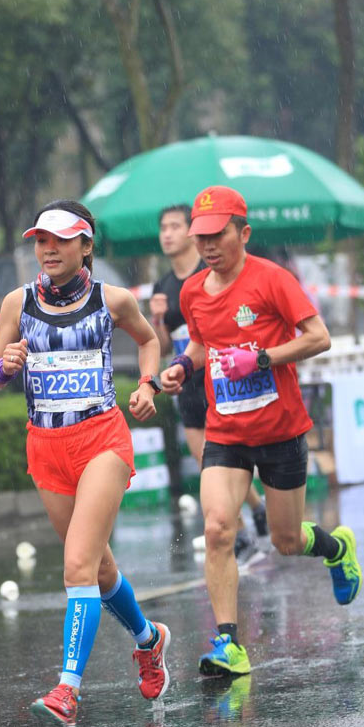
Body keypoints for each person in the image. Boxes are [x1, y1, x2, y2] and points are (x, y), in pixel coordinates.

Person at [0, 199, 171, 727]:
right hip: (45, 446)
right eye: (41, 240)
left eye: (61, 240)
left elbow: (149, 340)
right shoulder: (16, 303)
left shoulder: (113, 300)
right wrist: (5, 365)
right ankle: (148, 641)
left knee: (77, 568)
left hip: (101, 440)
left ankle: (67, 690)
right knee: (100, 568)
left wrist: (148, 384)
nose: (48, 250)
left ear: (86, 245)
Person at [161, 185, 362, 677]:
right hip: (226, 431)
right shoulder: (191, 291)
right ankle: (229, 644)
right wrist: (182, 368)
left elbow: (319, 337)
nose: (207, 246)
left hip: (280, 430)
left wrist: (263, 357)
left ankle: (336, 548)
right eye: (200, 237)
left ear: (243, 233)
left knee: (286, 540)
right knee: (217, 529)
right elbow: (203, 345)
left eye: (217, 235)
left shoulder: (273, 280)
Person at [149, 204, 268, 567]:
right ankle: (248, 520)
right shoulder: (163, 286)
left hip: (223, 381)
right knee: (207, 462)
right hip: (188, 385)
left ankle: (252, 518)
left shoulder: (210, 272)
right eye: (163, 227)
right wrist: (157, 318)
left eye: (174, 226)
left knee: (229, 461)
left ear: (191, 233)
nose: (167, 234)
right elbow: (163, 345)